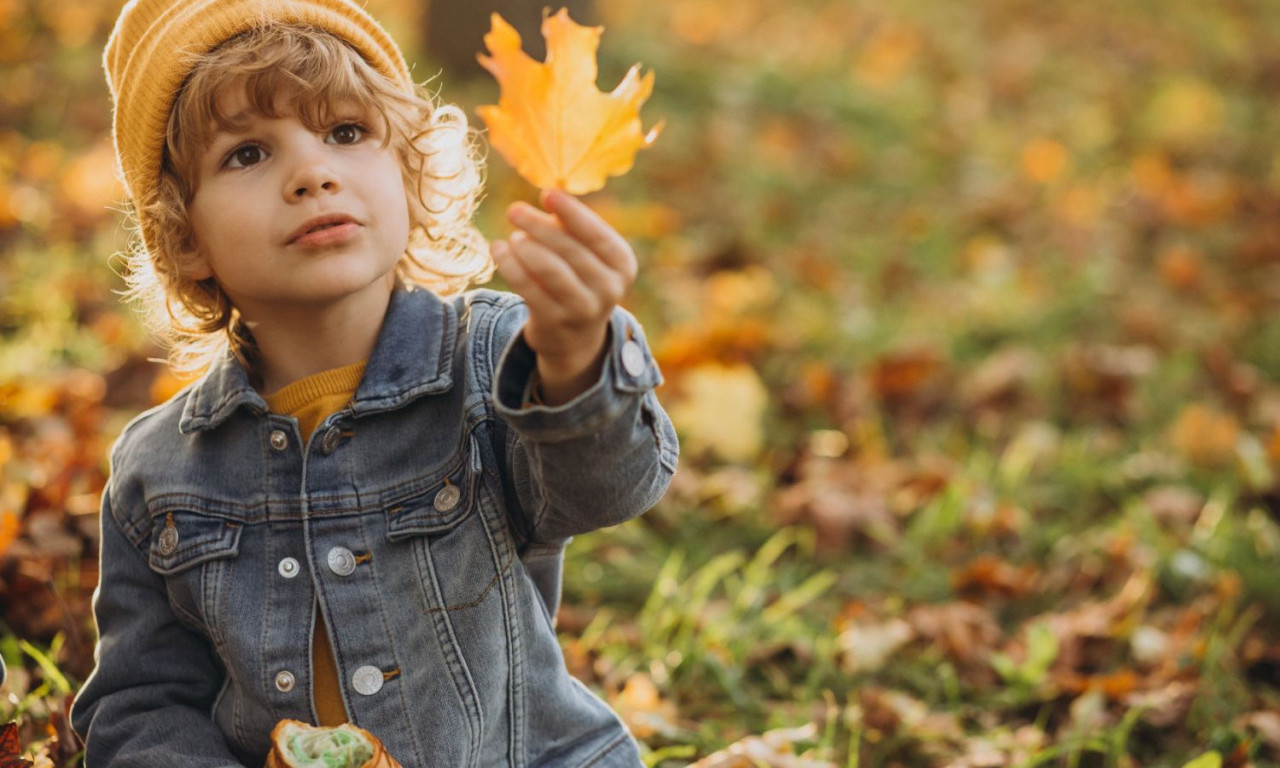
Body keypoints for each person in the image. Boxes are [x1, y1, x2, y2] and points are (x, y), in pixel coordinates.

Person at [69, 0, 678, 765]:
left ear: (410, 172)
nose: (312, 173)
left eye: (347, 133)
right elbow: (144, 701)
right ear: (185, 238)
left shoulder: (494, 362)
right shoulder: (158, 474)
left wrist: (577, 359)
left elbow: (608, 488)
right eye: (248, 154)